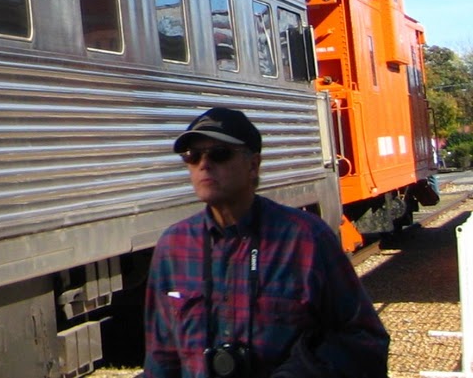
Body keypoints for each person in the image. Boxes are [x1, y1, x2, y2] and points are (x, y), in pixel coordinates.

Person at [143, 107, 387, 377]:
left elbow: (365, 341)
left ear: (253, 165)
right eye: (192, 156)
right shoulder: (173, 247)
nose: (203, 164)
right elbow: (161, 357)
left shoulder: (306, 240)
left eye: (219, 153)